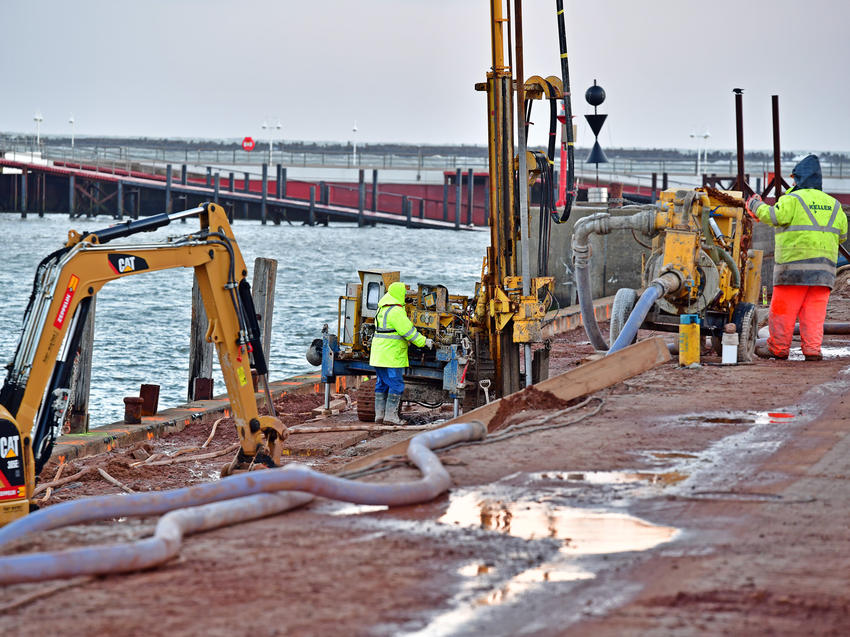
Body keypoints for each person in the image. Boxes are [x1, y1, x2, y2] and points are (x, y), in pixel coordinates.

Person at [746, 154, 847, 360]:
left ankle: (778, 348)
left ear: (799, 178)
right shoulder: (835, 205)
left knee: (783, 311)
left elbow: (774, 216)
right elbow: (842, 236)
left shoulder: (792, 199)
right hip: (824, 273)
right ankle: (812, 350)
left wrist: (755, 205)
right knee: (814, 315)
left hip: (793, 269)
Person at [369, 281, 433, 424]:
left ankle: (379, 416)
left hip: (379, 355)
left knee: (382, 383)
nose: (405, 296)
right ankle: (391, 417)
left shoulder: (382, 309)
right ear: (399, 294)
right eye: (404, 294)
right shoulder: (396, 311)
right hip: (391, 355)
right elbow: (408, 332)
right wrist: (425, 342)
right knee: (396, 384)